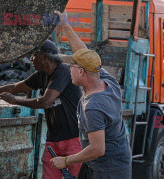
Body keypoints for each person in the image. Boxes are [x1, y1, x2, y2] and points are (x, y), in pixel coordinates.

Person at [0, 40, 83, 178]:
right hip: (53, 139)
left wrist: (16, 100)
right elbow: (13, 88)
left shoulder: (63, 71)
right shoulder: (42, 75)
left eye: (34, 55)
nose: (31, 60)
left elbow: (46, 102)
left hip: (73, 139)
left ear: (44, 57)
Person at [51, 11, 132, 179]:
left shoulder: (93, 107)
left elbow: (97, 149)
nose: (69, 70)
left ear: (81, 72)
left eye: (71, 66)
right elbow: (84, 53)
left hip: (109, 170)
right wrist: (65, 25)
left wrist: (66, 161)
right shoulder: (109, 82)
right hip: (112, 163)